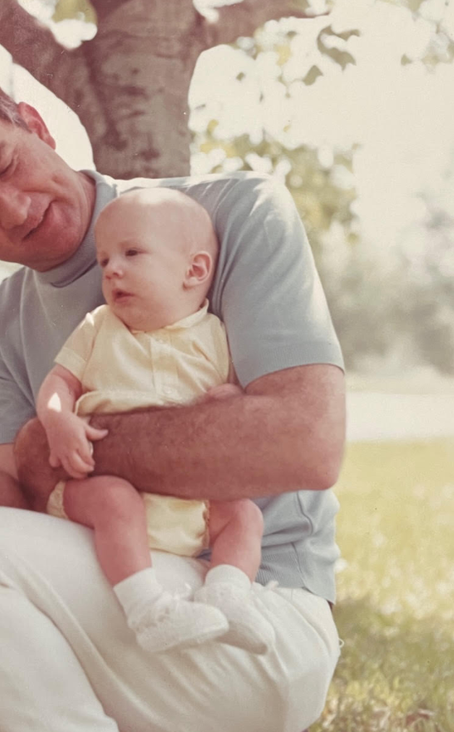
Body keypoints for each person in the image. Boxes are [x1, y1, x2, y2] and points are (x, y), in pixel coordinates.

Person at [0, 68, 346, 732]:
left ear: (35, 123)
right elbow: (21, 515)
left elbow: (304, 443)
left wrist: (54, 448)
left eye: (7, 163)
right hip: (124, 618)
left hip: (255, 616)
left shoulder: (232, 216)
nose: (17, 209)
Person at [37, 188, 274, 654]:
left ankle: (228, 592)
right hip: (101, 484)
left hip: (189, 503)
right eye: (104, 260)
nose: (112, 270)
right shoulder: (98, 326)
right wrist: (57, 421)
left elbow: (237, 399)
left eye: (132, 253)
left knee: (242, 513)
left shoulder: (216, 336)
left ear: (195, 270)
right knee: (116, 499)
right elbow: (58, 384)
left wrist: (231, 398)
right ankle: (148, 610)